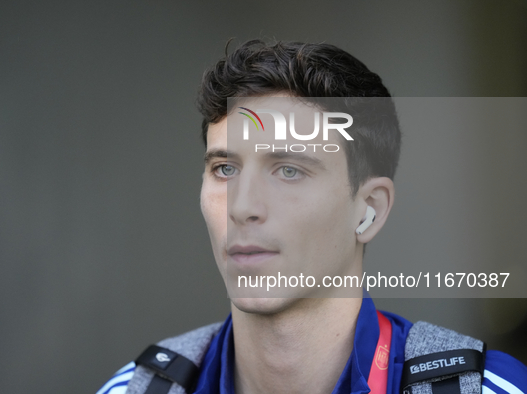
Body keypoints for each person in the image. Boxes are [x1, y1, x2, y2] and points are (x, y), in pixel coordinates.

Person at [96, 40, 527, 394]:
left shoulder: (484, 389)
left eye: (289, 171)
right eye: (225, 169)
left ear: (370, 209)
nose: (242, 207)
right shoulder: (136, 389)